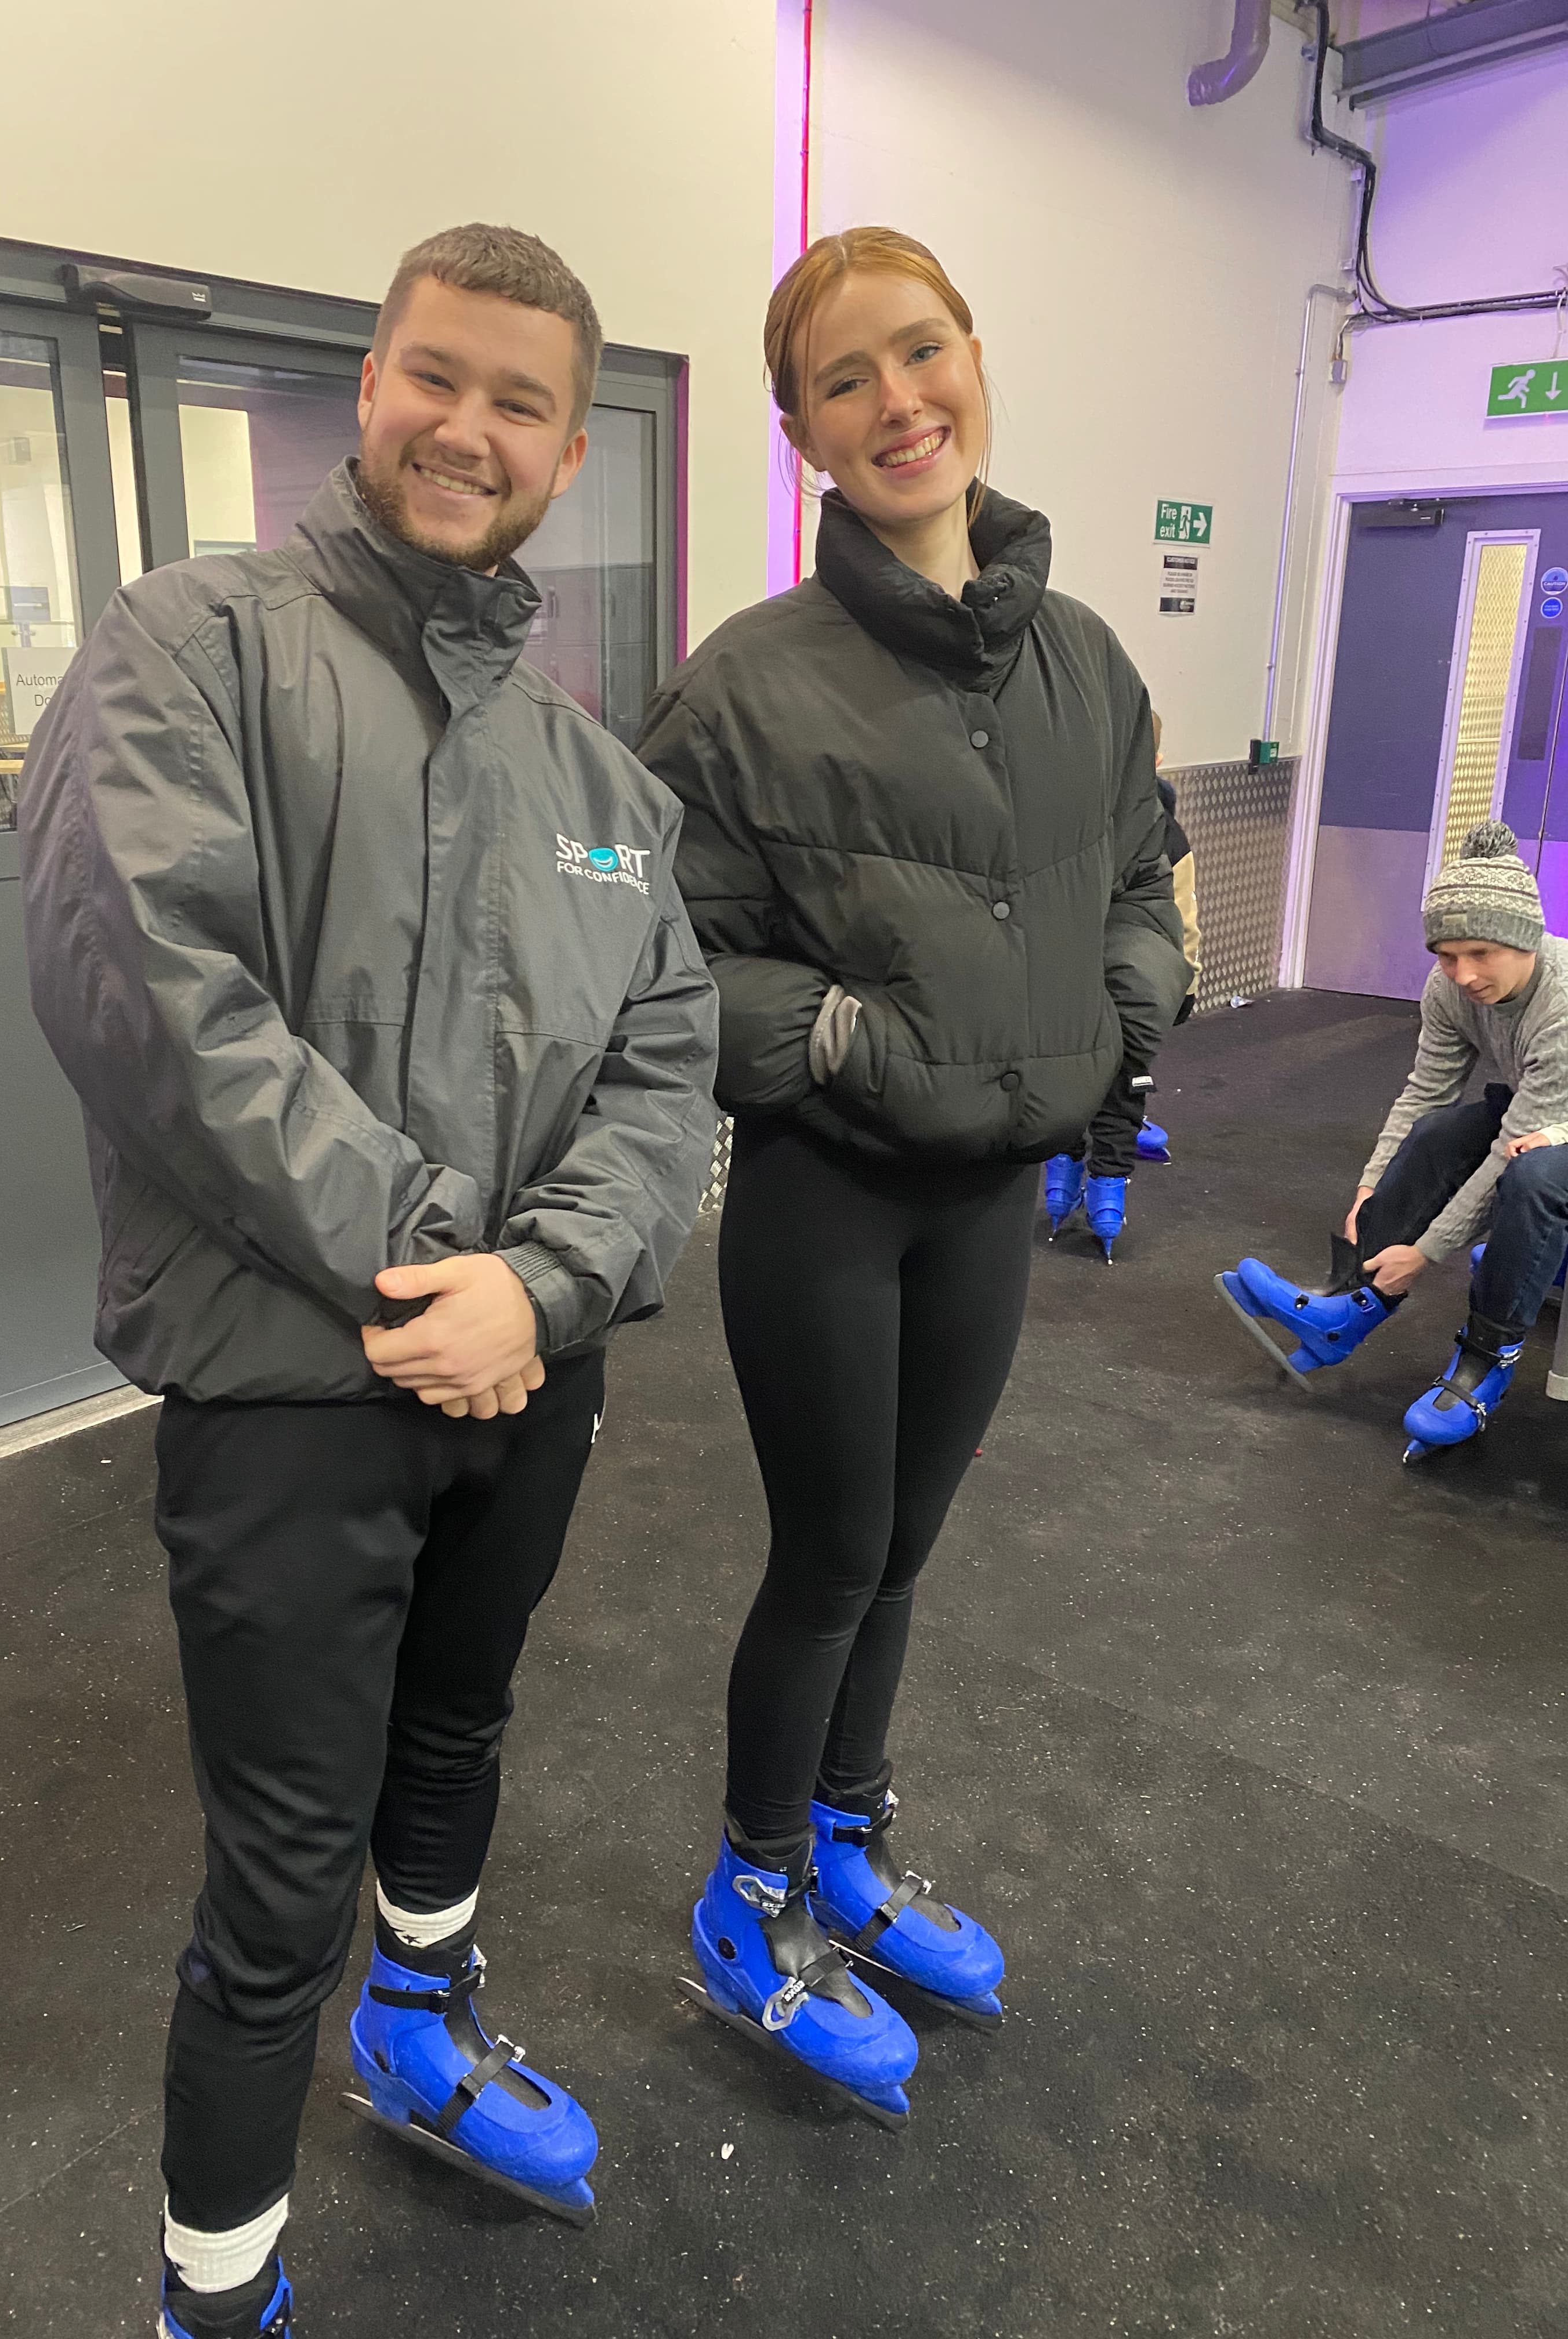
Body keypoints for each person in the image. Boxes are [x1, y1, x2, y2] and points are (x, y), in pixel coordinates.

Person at [18, 223, 718, 2336]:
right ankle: (211, 2290)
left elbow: (665, 1063)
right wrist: (449, 1262)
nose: (468, 426)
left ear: (562, 451)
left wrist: (556, 1281)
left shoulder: (602, 784)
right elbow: (144, 987)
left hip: (530, 1366)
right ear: (368, 385)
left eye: (519, 400)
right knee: (278, 1871)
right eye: (438, 375)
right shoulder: (186, 643)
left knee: (459, 1730)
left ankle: (425, 2024)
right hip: (288, 1376)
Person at [636, 226, 1189, 2119]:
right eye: (846, 377)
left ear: (974, 359)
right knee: (832, 1554)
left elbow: (1142, 867)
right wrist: (843, 1043)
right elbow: (661, 954)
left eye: (921, 350)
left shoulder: (1088, 661)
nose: (898, 401)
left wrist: (1121, 1015)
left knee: (912, 1553)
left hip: (991, 1199)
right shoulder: (747, 686)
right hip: (829, 1191)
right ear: (799, 428)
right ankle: (748, 1896)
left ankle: (848, 1849)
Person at [1217, 820, 1568, 1462]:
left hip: (1555, 1130)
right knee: (1442, 1131)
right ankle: (1349, 1307)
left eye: (1480, 954)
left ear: (1523, 942)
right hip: (1540, 1116)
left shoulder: (1563, 1000)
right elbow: (1424, 1095)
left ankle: (1484, 1359)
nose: (1462, 974)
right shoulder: (1450, 991)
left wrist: (1426, 1254)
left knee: (1534, 1177)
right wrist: (1369, 1192)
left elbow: (1515, 1148)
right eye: (1447, 954)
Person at [1045, 715, 1203, 1255]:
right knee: (1120, 1081)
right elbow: (1183, 915)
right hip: (1129, 974)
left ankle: (1077, 1179)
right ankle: (1102, 1188)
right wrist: (1183, 983)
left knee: (1092, 1076)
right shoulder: (1165, 828)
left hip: (1090, 972)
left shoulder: (1074, 812)